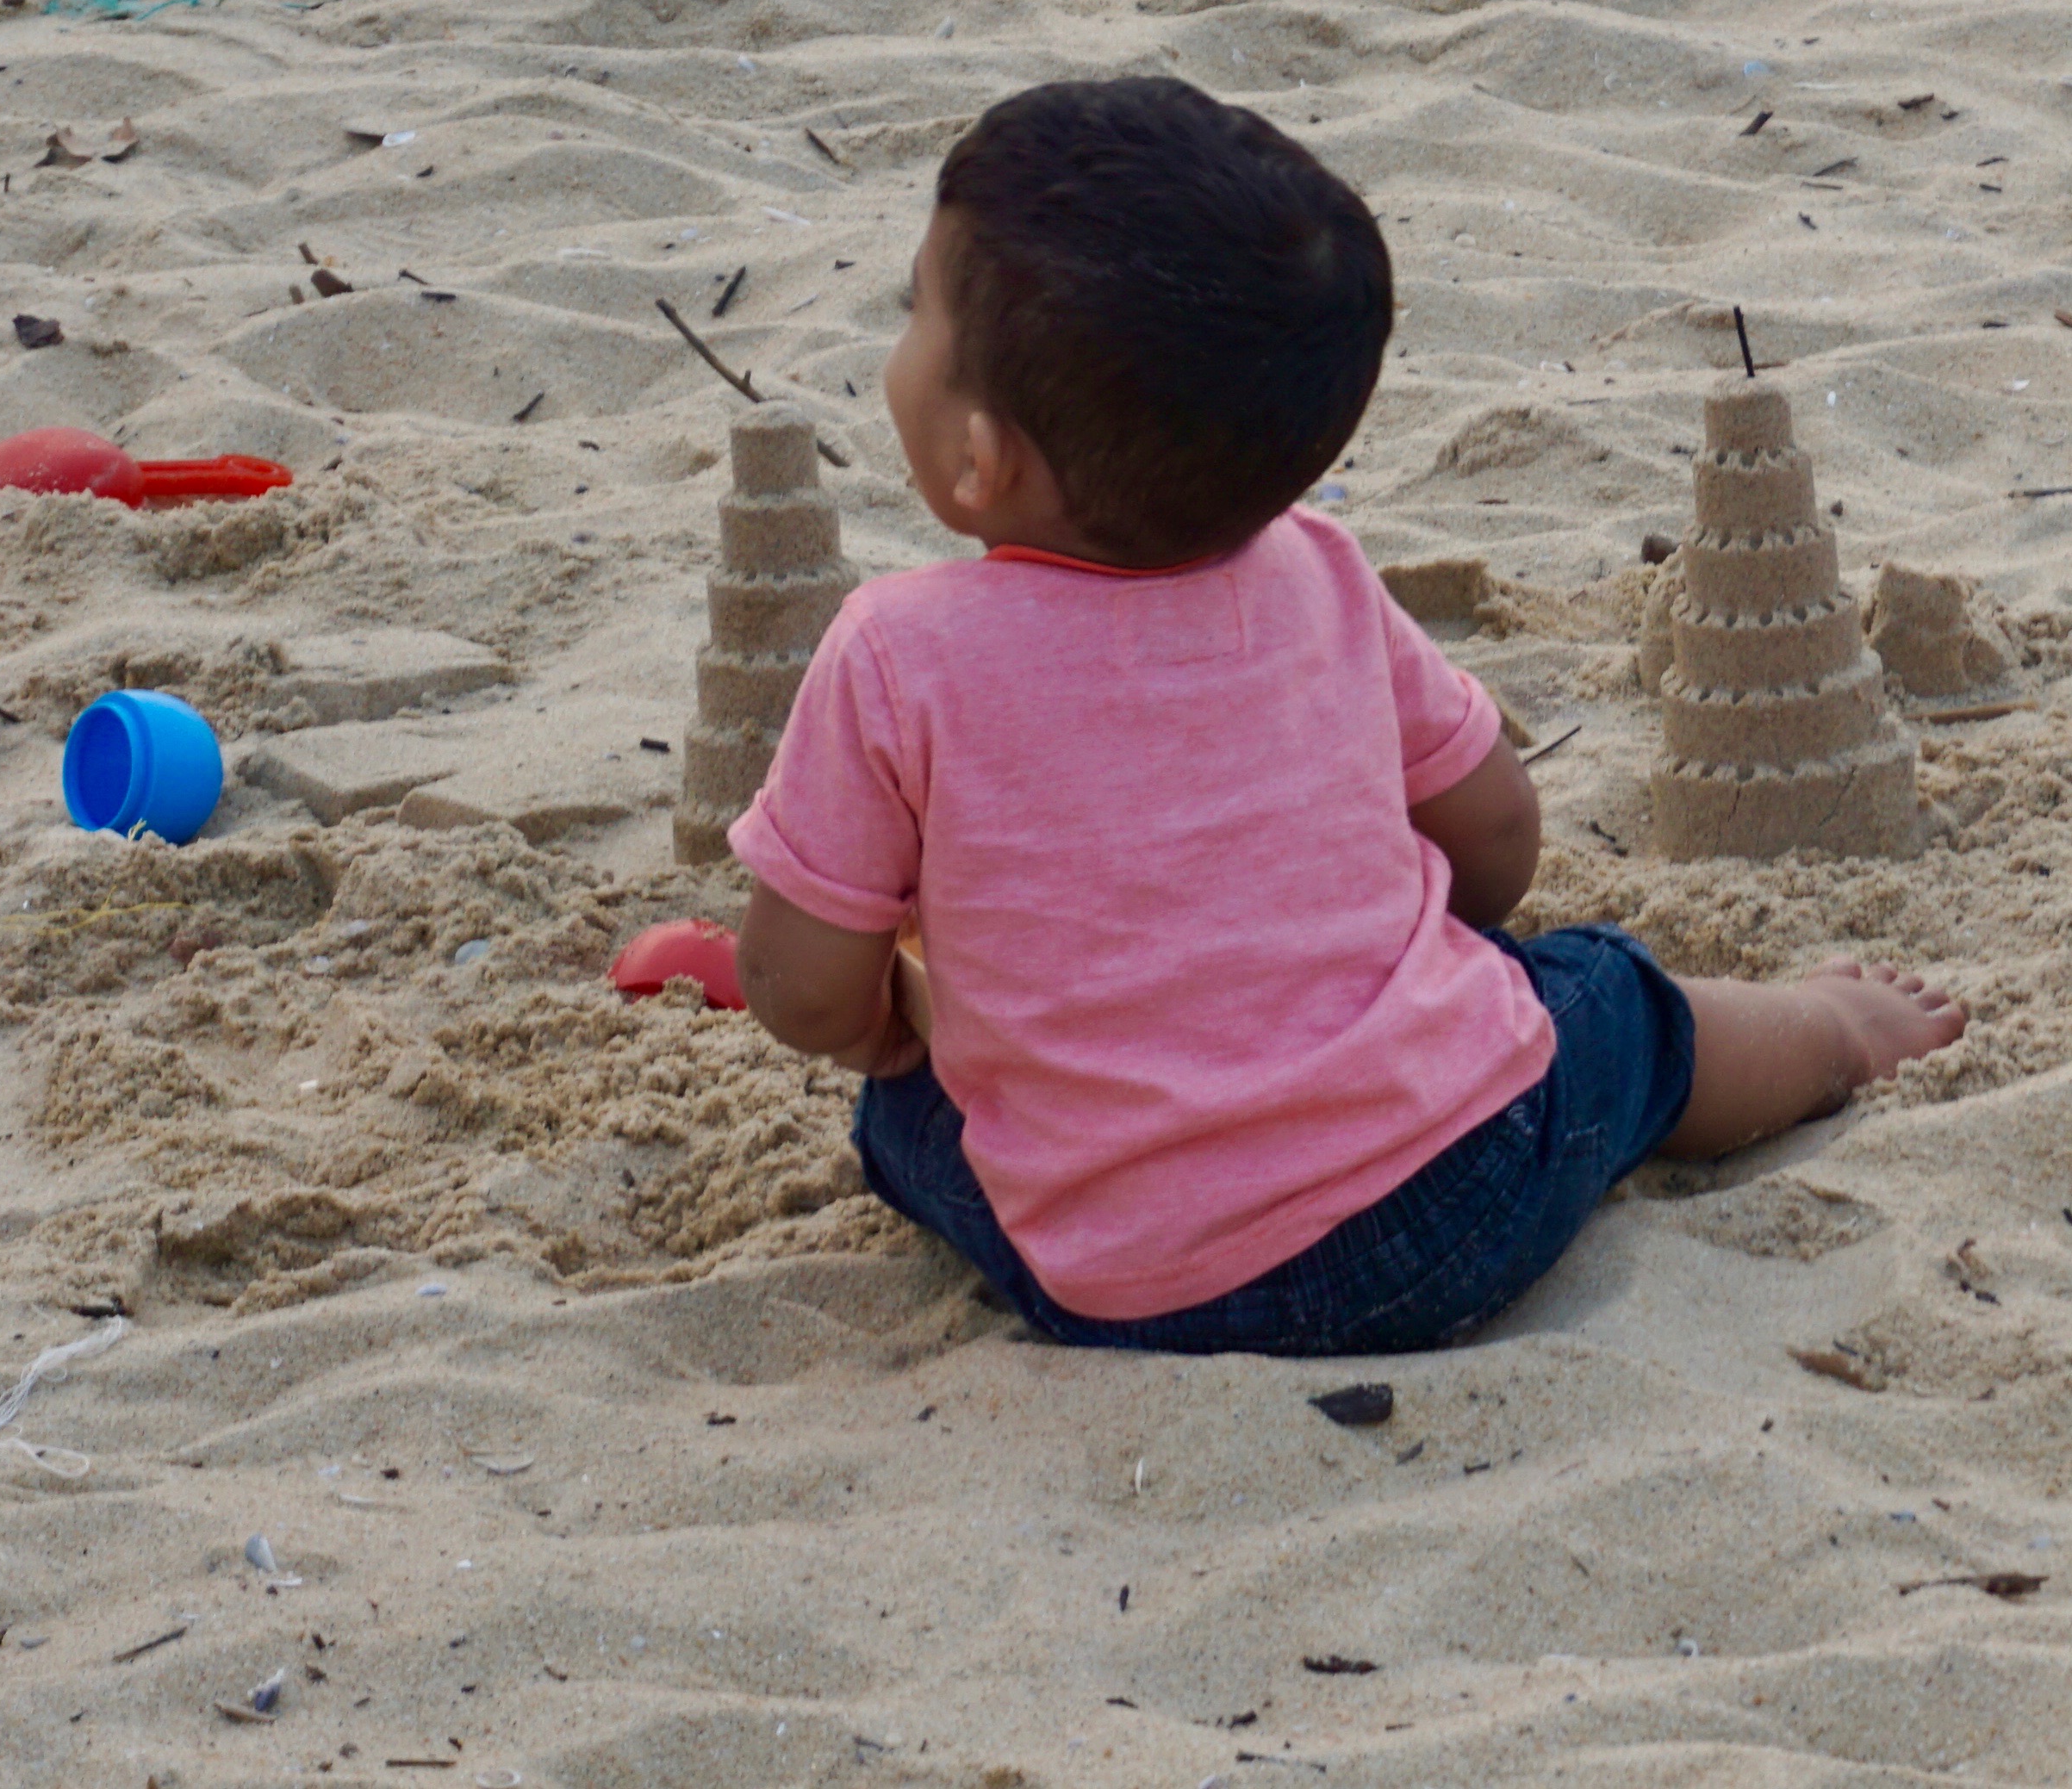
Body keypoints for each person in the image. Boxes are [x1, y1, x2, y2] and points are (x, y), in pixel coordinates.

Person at [730, 76, 1963, 1353]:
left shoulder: (894, 654)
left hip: (1132, 1290)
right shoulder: (1317, 572)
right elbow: (1494, 839)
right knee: (1613, 1001)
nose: (897, 341)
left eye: (910, 310)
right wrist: (1437, 948)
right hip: (1460, 1208)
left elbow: (803, 989)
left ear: (981, 458)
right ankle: (1831, 1035)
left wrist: (901, 1034)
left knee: (903, 1125)